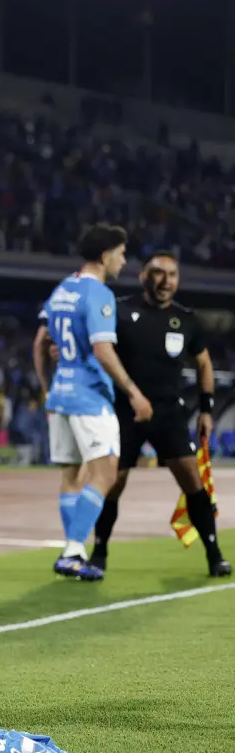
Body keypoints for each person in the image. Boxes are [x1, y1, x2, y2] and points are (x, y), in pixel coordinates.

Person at [86, 252, 230, 577]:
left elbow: (204, 363)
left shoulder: (187, 319)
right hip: (125, 412)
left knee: (193, 481)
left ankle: (214, 553)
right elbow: (99, 349)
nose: (166, 281)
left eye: (172, 275)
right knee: (114, 484)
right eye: (158, 273)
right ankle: (100, 552)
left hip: (168, 414)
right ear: (143, 277)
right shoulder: (121, 311)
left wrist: (206, 409)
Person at [32, 224, 152, 582]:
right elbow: (102, 351)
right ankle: (72, 550)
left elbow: (40, 342)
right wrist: (133, 391)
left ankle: (75, 551)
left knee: (71, 476)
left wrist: (46, 387)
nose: (124, 260)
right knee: (105, 474)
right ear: (105, 256)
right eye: (121, 253)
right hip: (89, 398)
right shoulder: (98, 294)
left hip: (61, 396)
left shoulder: (61, 290)